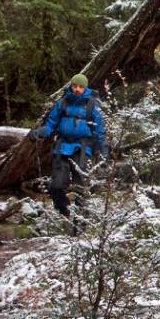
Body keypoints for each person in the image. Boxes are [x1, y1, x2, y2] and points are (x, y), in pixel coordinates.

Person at [29, 74, 108, 232]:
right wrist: (39, 132)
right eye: (75, 86)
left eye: (80, 87)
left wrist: (103, 151)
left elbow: (100, 131)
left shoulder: (92, 106)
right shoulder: (62, 102)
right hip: (62, 147)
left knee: (80, 188)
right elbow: (51, 124)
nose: (77, 89)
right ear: (71, 86)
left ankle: (80, 227)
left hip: (82, 148)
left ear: (85, 88)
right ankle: (64, 211)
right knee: (56, 186)